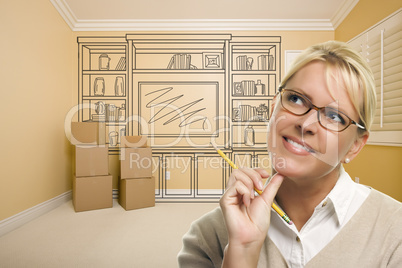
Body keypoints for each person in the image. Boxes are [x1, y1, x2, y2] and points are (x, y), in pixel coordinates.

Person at [177, 40, 402, 267]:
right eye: (296, 99)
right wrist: (242, 252)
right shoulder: (207, 237)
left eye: (334, 116)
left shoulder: (395, 231)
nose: (306, 124)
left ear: (355, 146)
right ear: (275, 106)